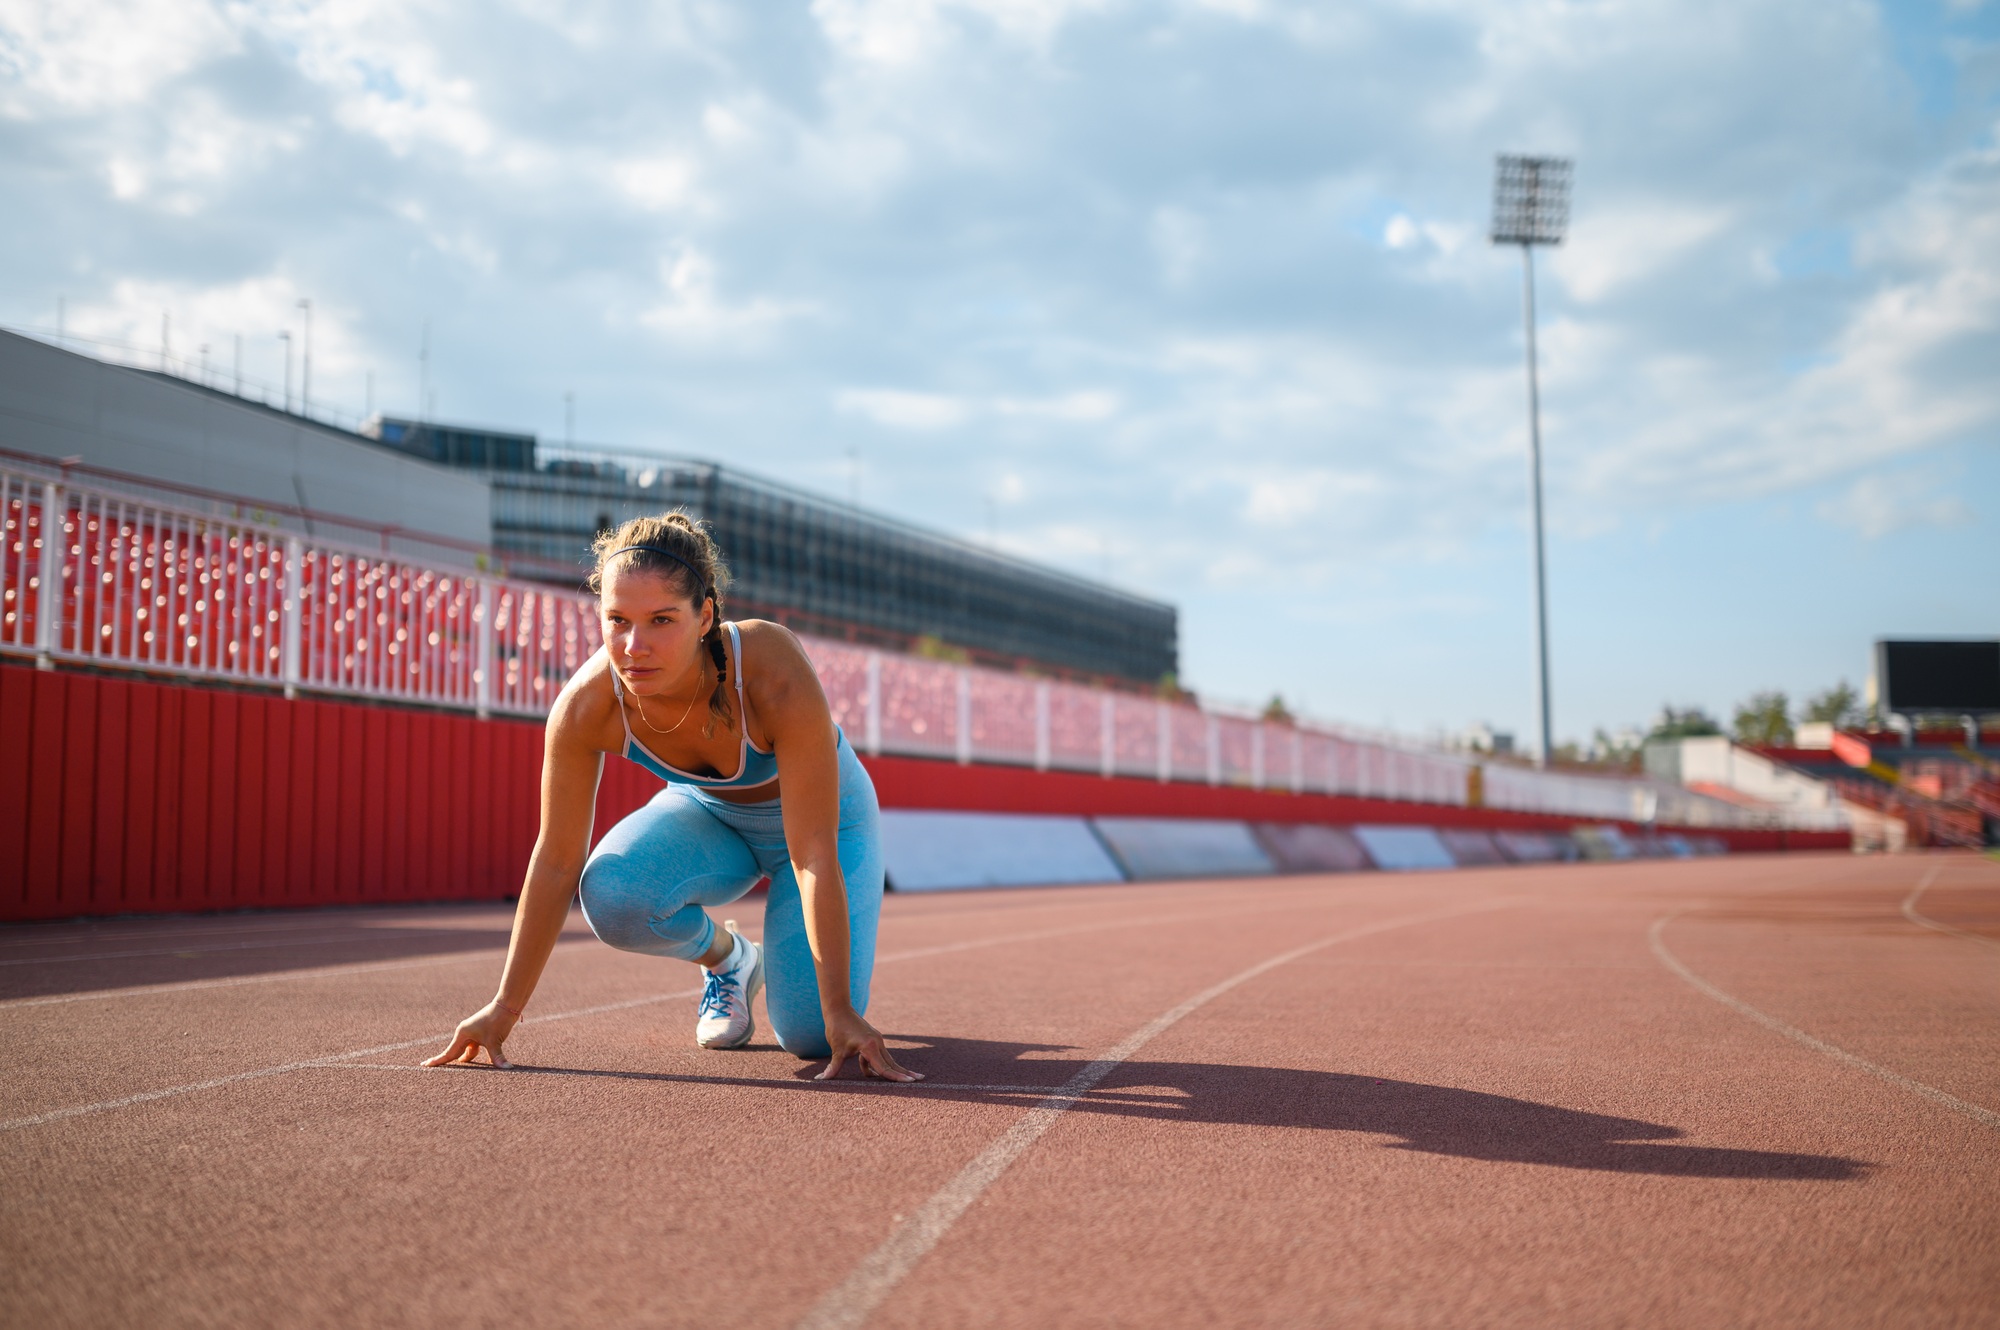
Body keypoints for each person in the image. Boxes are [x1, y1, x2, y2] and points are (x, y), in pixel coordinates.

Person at [426, 512, 921, 1083]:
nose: (635, 647)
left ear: (705, 615)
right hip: (710, 815)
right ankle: (732, 960)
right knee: (612, 895)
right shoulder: (588, 706)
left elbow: (811, 849)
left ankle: (817, 1004)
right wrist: (504, 1009)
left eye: (661, 620)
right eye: (618, 621)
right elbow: (558, 858)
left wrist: (840, 1010)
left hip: (827, 830)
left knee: (812, 1036)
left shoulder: (768, 665)